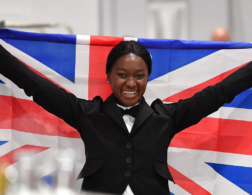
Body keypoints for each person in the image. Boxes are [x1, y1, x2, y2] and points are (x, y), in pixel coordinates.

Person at [0, 40, 252, 195]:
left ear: (147, 78)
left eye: (139, 76)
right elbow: (35, 85)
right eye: (122, 74)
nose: (131, 83)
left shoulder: (167, 116)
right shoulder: (87, 114)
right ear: (108, 76)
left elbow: (219, 93)